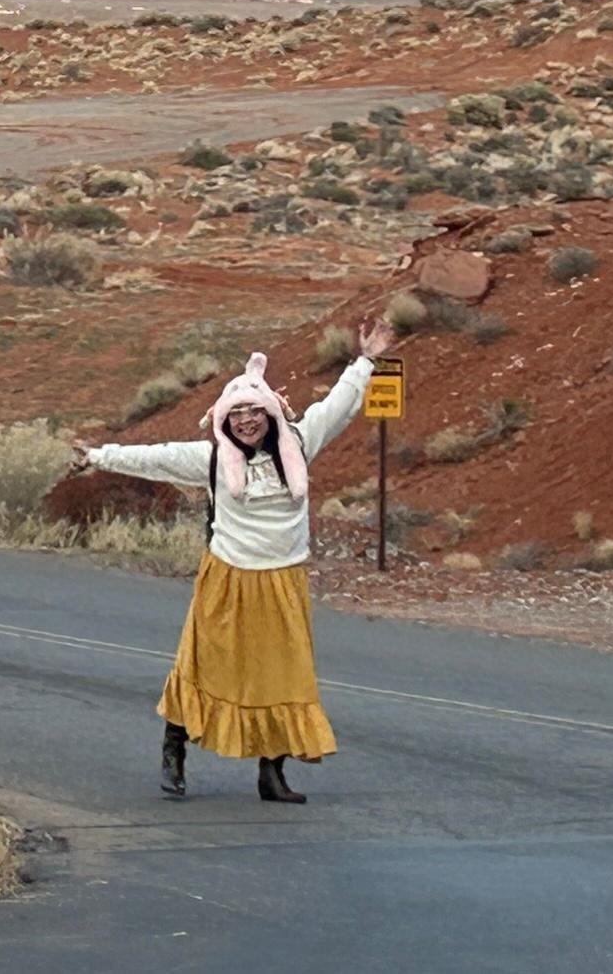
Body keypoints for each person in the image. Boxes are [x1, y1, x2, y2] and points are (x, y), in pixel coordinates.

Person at [75, 316, 395, 805]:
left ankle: (272, 774)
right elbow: (153, 457)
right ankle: (173, 752)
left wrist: (366, 360)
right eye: (237, 413)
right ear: (224, 419)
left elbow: (339, 406)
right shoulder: (210, 460)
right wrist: (98, 456)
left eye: (255, 412)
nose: (247, 421)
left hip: (283, 579)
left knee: (282, 675)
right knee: (203, 666)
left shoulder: (300, 444)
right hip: (227, 577)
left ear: (270, 415)